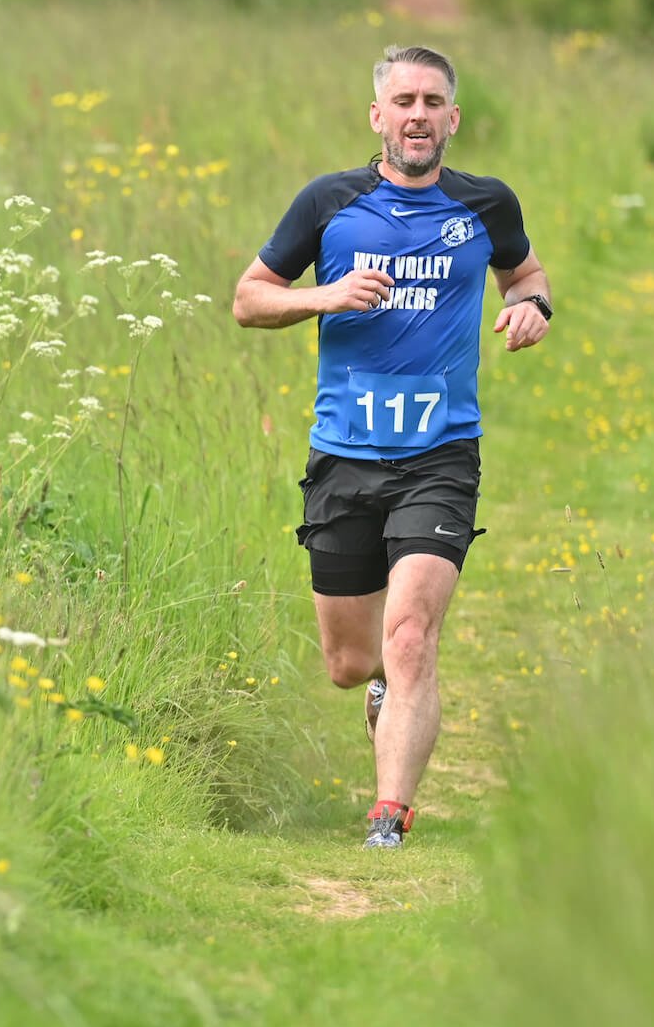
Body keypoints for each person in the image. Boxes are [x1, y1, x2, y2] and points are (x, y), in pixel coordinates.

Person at [231, 44, 553, 849]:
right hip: (345, 454)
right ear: (378, 116)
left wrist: (532, 308)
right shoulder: (328, 203)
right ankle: (380, 688)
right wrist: (325, 296)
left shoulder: (487, 204)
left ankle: (389, 814)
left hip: (441, 456)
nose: (418, 115)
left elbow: (525, 274)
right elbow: (248, 299)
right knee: (350, 660)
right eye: (403, 101)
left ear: (453, 119)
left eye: (432, 101)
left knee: (410, 631)